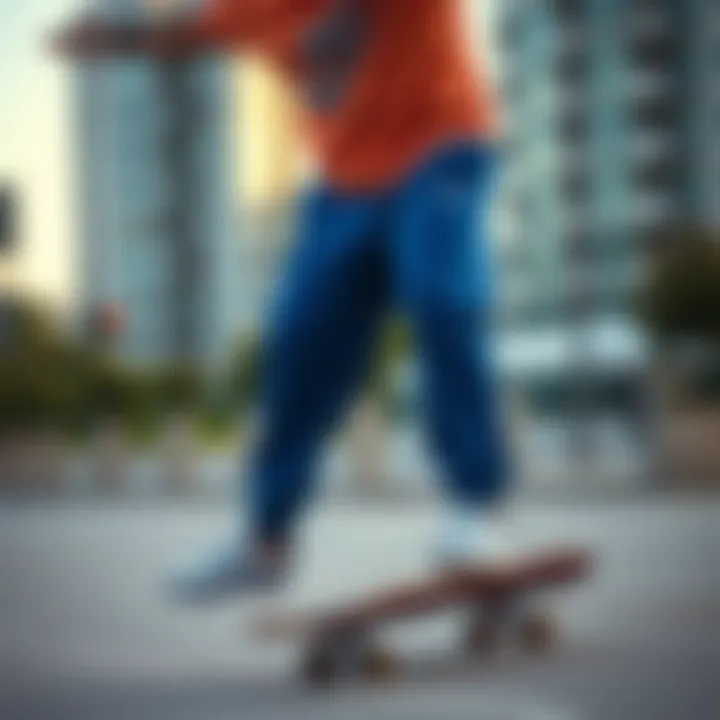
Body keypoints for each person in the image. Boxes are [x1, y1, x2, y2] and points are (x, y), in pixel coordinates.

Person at [59, 0, 511, 603]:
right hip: (344, 184)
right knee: (299, 347)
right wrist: (111, 38)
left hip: (442, 152)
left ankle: (472, 508)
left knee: (440, 296)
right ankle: (265, 542)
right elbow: (188, 32)